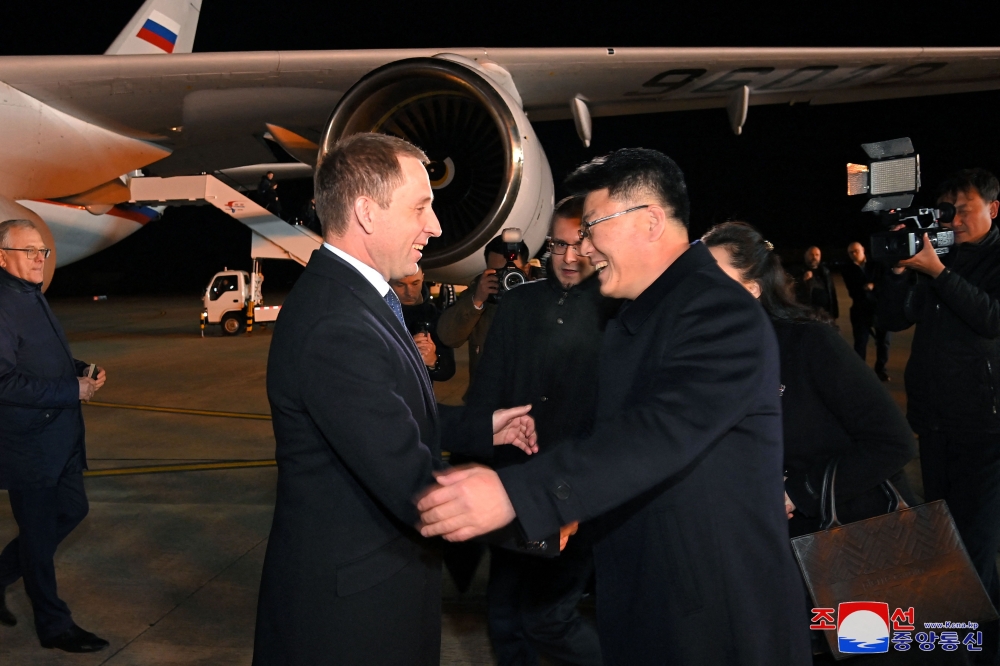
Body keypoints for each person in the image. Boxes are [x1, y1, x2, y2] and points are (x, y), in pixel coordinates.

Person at [418, 148, 812, 665]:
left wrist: (523, 494)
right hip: (652, 599)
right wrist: (572, 507)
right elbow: (613, 437)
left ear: (650, 221)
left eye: (593, 227)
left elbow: (658, 432)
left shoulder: (718, 310)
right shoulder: (642, 314)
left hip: (714, 617)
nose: (583, 247)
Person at [252, 133, 540, 666]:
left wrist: (483, 426)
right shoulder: (336, 323)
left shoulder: (354, 297)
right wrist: (537, 509)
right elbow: (413, 484)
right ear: (366, 212)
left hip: (370, 598)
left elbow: (386, 415)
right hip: (350, 625)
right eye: (420, 207)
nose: (435, 226)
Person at [455, 196, 617, 666]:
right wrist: (477, 465)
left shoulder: (617, 312)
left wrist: (583, 497)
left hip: (578, 492)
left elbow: (617, 418)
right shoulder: (518, 303)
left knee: (549, 616)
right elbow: (485, 393)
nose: (568, 257)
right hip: (515, 485)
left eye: (580, 245)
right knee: (505, 614)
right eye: (558, 245)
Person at [702, 222, 916, 538]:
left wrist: (799, 493)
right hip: (771, 534)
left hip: (856, 533)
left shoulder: (810, 344)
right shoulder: (712, 362)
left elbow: (895, 442)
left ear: (752, 290)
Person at [879, 168, 1000, 664]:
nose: (955, 220)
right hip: (934, 424)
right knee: (950, 548)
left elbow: (991, 318)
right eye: (948, 211)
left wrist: (938, 273)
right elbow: (894, 317)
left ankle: (971, 653)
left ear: (994, 208)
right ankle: (977, 647)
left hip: (986, 429)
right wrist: (897, 271)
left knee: (973, 546)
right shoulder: (939, 253)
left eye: (964, 209)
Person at [0, 219, 109, 653]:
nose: (39, 259)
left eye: (42, 250)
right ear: (1, 257)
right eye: (28, 251)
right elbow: (3, 381)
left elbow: (40, 358)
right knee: (39, 538)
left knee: (72, 510)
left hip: (58, 439)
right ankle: (54, 626)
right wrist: (71, 390)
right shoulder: (3, 304)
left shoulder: (31, 295)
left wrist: (79, 369)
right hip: (28, 446)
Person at [437, 234, 530, 384]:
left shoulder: (543, 299)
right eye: (498, 273)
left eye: (513, 272)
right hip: (486, 392)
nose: (506, 278)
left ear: (527, 269)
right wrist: (477, 300)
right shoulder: (478, 295)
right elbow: (448, 337)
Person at [389, 264, 455, 382]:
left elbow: (448, 371)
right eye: (400, 285)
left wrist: (433, 360)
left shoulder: (434, 316)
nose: (409, 292)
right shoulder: (378, 315)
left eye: (415, 283)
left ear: (423, 278)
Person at [842, 241, 891, 380]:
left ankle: (881, 370)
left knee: (884, 342)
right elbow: (853, 290)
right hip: (860, 310)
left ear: (863, 250)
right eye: (851, 252)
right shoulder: (848, 269)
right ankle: (860, 373)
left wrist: (873, 286)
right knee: (860, 343)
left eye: (856, 251)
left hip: (880, 309)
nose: (853, 254)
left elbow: (886, 282)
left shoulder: (877, 263)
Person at [795, 245, 839, 319]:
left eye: (817, 255)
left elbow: (831, 292)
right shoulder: (799, 271)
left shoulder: (825, 272)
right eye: (811, 254)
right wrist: (802, 280)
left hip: (825, 313)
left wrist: (834, 313)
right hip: (808, 313)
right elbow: (793, 290)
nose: (814, 257)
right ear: (806, 255)